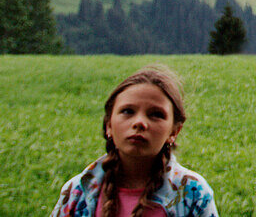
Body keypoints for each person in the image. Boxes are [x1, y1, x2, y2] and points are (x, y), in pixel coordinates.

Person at [50, 65, 218, 217]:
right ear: (109, 125)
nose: (140, 123)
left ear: (174, 131)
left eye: (156, 114)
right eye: (128, 111)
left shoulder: (193, 194)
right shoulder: (77, 193)